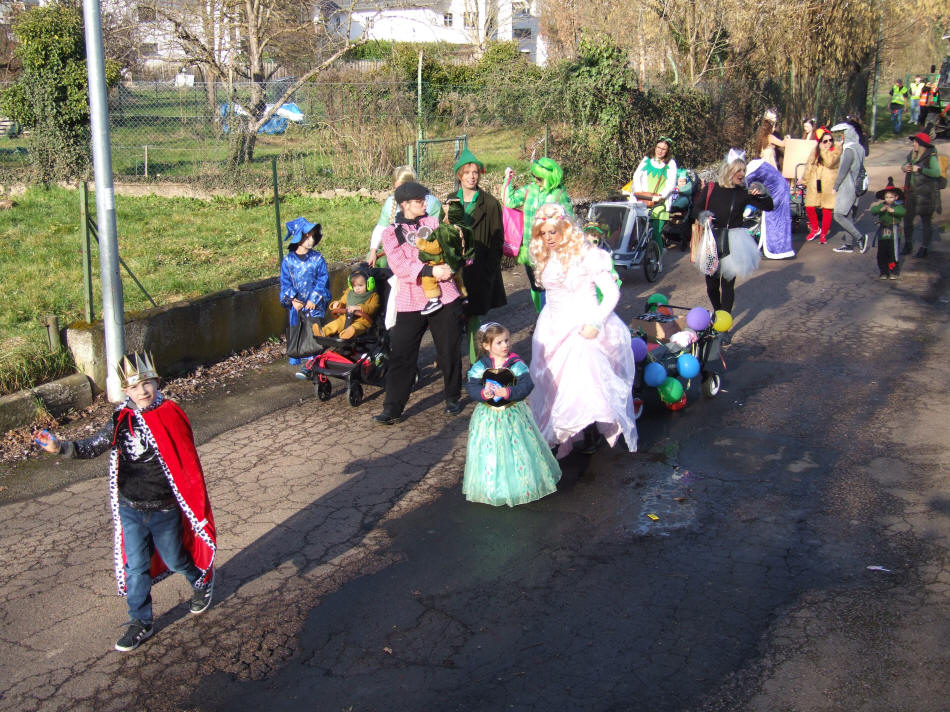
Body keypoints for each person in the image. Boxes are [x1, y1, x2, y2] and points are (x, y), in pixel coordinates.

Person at [33, 353, 216, 652]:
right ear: (125, 391)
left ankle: (200, 580)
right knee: (136, 567)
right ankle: (140, 621)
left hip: (164, 508)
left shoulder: (169, 413)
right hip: (130, 507)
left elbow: (186, 464)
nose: (142, 391)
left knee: (174, 558)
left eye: (147, 384)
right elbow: (94, 446)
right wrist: (60, 447)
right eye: (135, 387)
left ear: (156, 382)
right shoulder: (121, 418)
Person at [527, 204, 638, 457]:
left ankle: (588, 432)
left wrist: (595, 323)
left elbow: (611, 293)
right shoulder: (546, 255)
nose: (548, 238)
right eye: (543, 233)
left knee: (580, 384)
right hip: (552, 326)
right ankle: (561, 434)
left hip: (583, 324)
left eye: (553, 232)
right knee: (552, 383)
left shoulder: (587, 255)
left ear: (565, 229)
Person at [374, 181, 464, 424]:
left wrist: (453, 262)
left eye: (424, 199)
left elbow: (452, 251)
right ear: (405, 204)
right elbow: (400, 267)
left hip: (444, 295)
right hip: (411, 299)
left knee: (448, 349)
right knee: (401, 354)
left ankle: (452, 396)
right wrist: (430, 272)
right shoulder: (390, 233)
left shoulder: (434, 224)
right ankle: (392, 408)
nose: (425, 203)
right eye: (419, 201)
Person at [462, 322, 561, 506]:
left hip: (512, 413)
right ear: (486, 346)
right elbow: (471, 384)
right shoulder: (480, 365)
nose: (505, 345)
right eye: (499, 342)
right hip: (489, 415)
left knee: (517, 448)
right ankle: (492, 487)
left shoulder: (515, 363)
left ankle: (521, 485)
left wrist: (509, 393)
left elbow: (526, 384)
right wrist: (484, 393)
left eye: (506, 340)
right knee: (491, 449)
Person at [691, 149, 774, 326]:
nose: (742, 174)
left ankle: (724, 324)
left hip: (734, 242)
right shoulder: (711, 188)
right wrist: (704, 216)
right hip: (711, 241)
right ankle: (719, 312)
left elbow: (769, 206)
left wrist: (763, 192)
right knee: (712, 285)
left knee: (727, 285)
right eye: (739, 170)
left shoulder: (744, 192)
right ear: (729, 171)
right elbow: (696, 209)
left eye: (743, 171)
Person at [452, 148, 507, 363]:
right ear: (459, 175)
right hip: (453, 271)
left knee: (473, 320)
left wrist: (489, 272)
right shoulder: (450, 201)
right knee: (451, 321)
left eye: (475, 172)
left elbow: (497, 241)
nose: (471, 176)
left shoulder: (490, 203)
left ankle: (475, 365)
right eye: (466, 172)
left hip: (477, 271)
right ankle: (450, 364)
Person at [504, 158, 573, 313]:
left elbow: (570, 223)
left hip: (550, 251)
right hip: (530, 249)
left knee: (549, 286)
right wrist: (508, 180)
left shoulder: (559, 194)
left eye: (539, 178)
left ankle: (550, 318)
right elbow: (509, 201)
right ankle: (541, 316)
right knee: (536, 285)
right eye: (534, 176)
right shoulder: (530, 189)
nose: (536, 180)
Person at [279, 217, 331, 377]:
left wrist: (314, 300)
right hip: (297, 306)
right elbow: (285, 282)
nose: (311, 240)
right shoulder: (288, 261)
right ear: (298, 238)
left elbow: (323, 279)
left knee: (313, 332)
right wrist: (293, 300)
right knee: (300, 331)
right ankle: (304, 360)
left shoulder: (317, 259)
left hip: (313, 305)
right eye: (307, 236)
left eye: (313, 236)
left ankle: (311, 365)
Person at [367, 165, 441, 268]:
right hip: (399, 256)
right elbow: (381, 228)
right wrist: (373, 250)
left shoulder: (430, 203)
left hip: (425, 253)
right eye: (396, 189)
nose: (399, 193)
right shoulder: (390, 203)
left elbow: (438, 234)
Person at [415, 198, 470, 316]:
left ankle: (434, 299)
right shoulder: (459, 227)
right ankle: (463, 295)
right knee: (458, 279)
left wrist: (421, 243)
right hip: (454, 260)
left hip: (445, 260)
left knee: (428, 278)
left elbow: (437, 246)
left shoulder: (443, 229)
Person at [631, 136, 678, 249]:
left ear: (667, 151)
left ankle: (658, 260)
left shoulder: (670, 164)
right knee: (640, 232)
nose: (660, 151)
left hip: (659, 203)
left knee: (656, 233)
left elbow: (671, 184)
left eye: (663, 149)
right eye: (658, 147)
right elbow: (637, 176)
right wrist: (640, 191)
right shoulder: (647, 160)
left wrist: (661, 196)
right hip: (644, 200)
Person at [829, 119, 869, 254]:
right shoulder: (860, 148)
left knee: (838, 215)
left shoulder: (849, 150)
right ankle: (848, 244)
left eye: (839, 134)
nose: (837, 138)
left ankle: (860, 237)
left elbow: (843, 170)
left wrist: (835, 186)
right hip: (857, 184)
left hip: (847, 187)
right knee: (849, 214)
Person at [901, 131, 943, 258]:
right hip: (911, 192)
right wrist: (905, 167)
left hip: (925, 194)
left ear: (921, 144)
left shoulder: (931, 156)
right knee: (907, 219)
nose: (913, 144)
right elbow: (904, 164)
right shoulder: (912, 154)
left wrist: (920, 169)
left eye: (915, 142)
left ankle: (924, 247)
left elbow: (936, 173)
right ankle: (908, 244)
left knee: (925, 221)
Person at [746, 158, 794, 259]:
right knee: (780, 221)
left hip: (776, 194)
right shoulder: (762, 165)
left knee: (772, 221)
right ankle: (780, 248)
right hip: (781, 190)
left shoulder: (753, 170)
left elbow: (742, 184)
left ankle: (774, 249)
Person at [319, 263, 380, 339]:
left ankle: (346, 334)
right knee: (336, 324)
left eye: (360, 285)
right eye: (354, 286)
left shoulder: (373, 296)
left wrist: (359, 307)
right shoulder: (349, 293)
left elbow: (373, 308)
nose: (357, 288)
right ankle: (322, 332)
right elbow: (343, 302)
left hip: (362, 320)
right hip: (346, 317)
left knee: (357, 327)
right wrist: (338, 304)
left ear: (368, 284)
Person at [802, 126, 840, 244]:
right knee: (809, 205)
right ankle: (815, 228)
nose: (829, 143)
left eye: (830, 140)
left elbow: (830, 162)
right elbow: (809, 165)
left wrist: (824, 150)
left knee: (827, 209)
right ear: (820, 142)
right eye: (825, 141)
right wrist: (805, 180)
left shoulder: (837, 149)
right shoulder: (815, 150)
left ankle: (823, 234)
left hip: (829, 182)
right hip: (815, 181)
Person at [870, 178, 906, 279]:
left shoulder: (898, 207)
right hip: (883, 233)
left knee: (893, 252)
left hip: (894, 233)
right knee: (882, 253)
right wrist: (880, 209)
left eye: (891, 197)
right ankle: (883, 272)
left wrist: (893, 211)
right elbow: (874, 210)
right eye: (886, 197)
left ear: (896, 197)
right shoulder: (882, 205)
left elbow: (902, 212)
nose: (888, 199)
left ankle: (893, 271)